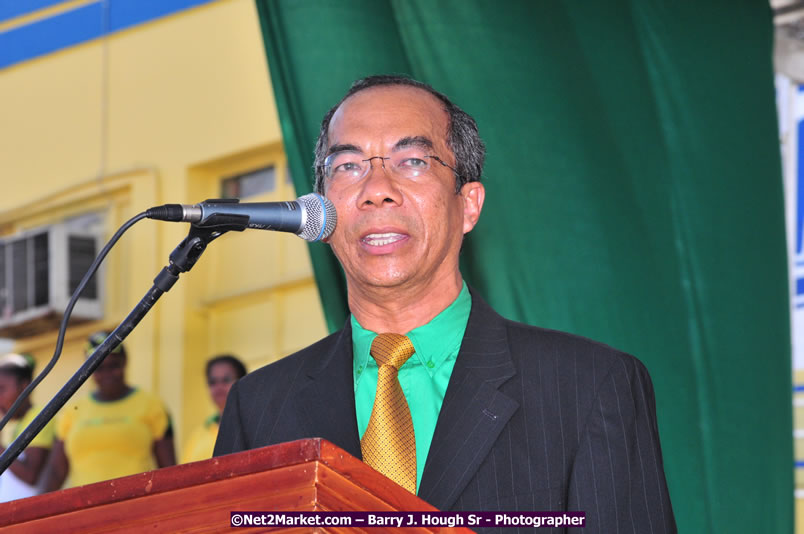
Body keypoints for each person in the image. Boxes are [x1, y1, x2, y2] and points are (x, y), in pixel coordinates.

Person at [214, 75, 676, 532]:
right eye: (348, 166)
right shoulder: (259, 408)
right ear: (322, 209)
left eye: (412, 160)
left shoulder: (588, 386)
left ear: (468, 205)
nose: (376, 189)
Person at [44, 332, 175, 490]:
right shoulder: (72, 411)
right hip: (86, 508)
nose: (107, 373)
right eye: (99, 368)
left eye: (113, 365)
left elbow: (169, 470)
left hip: (136, 506)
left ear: (125, 362)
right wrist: (34, 509)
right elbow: (56, 472)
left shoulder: (153, 405)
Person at [0, 353, 55, 502]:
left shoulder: (41, 416)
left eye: (2, 389)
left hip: (33, 517)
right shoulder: (10, 424)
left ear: (24, 386)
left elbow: (31, 476)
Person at [181, 354, 246, 463]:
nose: (219, 387)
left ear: (243, 382)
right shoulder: (199, 433)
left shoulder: (252, 426)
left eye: (226, 379)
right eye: (212, 382)